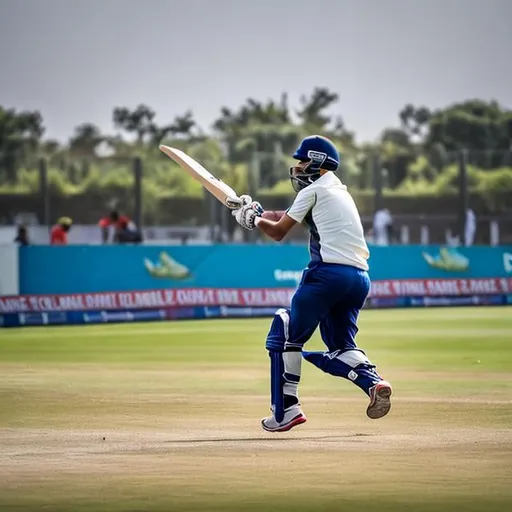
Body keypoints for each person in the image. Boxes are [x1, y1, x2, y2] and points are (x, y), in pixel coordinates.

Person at [232, 135, 392, 432]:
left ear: (317, 163)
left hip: (327, 275)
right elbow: (285, 216)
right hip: (358, 279)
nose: (298, 167)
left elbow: (279, 231)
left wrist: (253, 222)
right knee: (342, 345)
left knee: (286, 331)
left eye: (303, 160)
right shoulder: (339, 191)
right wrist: (256, 211)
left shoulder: (313, 190)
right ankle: (374, 383)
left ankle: (286, 411)